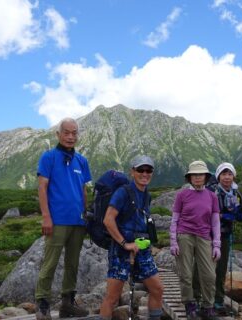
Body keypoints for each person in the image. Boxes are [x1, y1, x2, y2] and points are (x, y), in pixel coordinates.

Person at [35, 118, 92, 320]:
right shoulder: (49, 157)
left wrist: (86, 215)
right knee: (50, 263)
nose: (70, 136)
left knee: (73, 264)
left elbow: (83, 190)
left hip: (77, 221)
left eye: (74, 133)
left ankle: (68, 302)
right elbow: (42, 187)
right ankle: (42, 303)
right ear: (58, 134)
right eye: (66, 132)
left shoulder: (82, 161)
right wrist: (46, 217)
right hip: (57, 220)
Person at [99, 155, 164, 320]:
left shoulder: (146, 194)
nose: (145, 173)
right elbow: (108, 219)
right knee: (112, 297)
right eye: (140, 170)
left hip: (142, 249)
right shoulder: (123, 192)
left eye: (148, 170)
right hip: (121, 251)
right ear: (132, 172)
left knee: (157, 290)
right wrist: (124, 243)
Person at [170, 160, 221, 320]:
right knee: (185, 273)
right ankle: (189, 304)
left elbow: (215, 222)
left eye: (201, 175)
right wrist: (173, 241)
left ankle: (208, 306)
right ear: (189, 177)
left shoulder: (212, 196)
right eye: (194, 175)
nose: (198, 177)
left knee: (209, 275)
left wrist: (217, 244)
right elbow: (174, 219)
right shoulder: (182, 195)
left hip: (204, 237)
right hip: (184, 235)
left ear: (206, 177)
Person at [210, 162, 242, 314]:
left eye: (229, 174)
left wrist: (224, 215)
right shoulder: (211, 192)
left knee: (221, 268)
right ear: (218, 176)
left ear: (233, 176)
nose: (227, 177)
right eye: (224, 174)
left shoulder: (237, 195)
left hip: (224, 235)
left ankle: (218, 300)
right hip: (208, 234)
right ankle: (202, 298)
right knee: (205, 268)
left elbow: (241, 216)